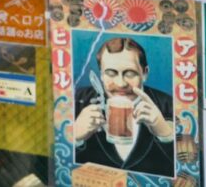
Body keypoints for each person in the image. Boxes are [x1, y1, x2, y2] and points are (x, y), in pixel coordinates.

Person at [73, 37, 175, 177]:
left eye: (130, 73)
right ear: (101, 75)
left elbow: (188, 168)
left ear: (144, 73)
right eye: (110, 73)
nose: (120, 83)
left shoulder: (169, 105)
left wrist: (166, 134)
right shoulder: (77, 99)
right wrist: (74, 136)